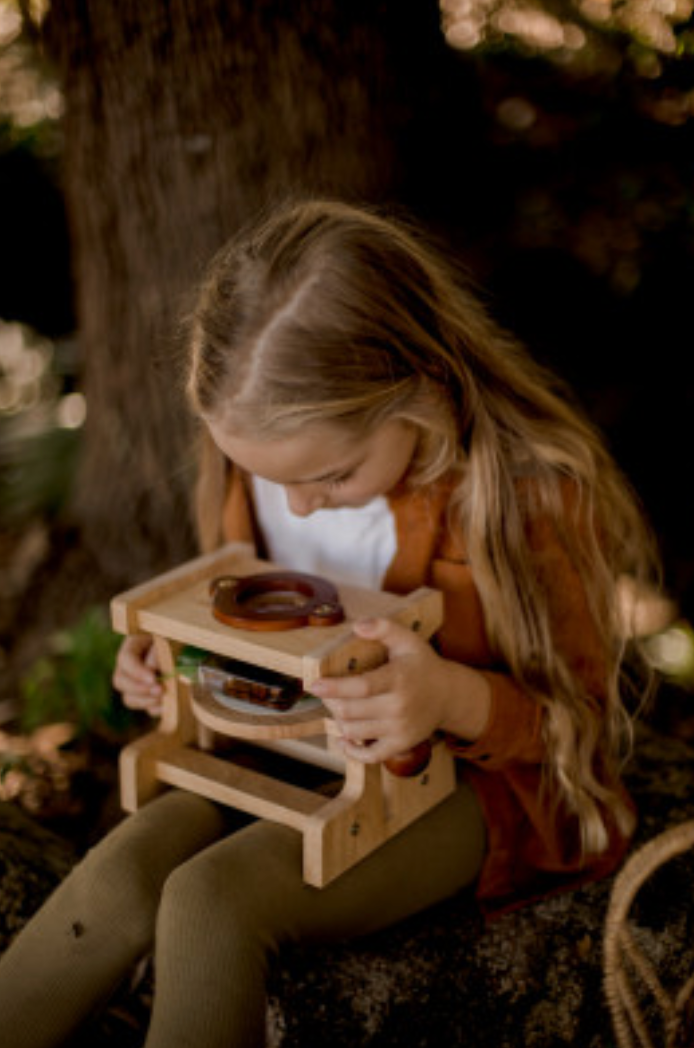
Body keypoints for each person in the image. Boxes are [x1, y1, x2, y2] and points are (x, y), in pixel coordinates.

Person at [0, 199, 660, 1047]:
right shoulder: (268, 466)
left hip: (468, 787)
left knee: (211, 904)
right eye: (273, 482)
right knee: (122, 876)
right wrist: (181, 666)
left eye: (334, 474)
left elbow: (581, 729)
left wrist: (449, 697)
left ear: (417, 391)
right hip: (286, 749)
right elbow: (247, 631)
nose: (300, 503)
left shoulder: (528, 494)